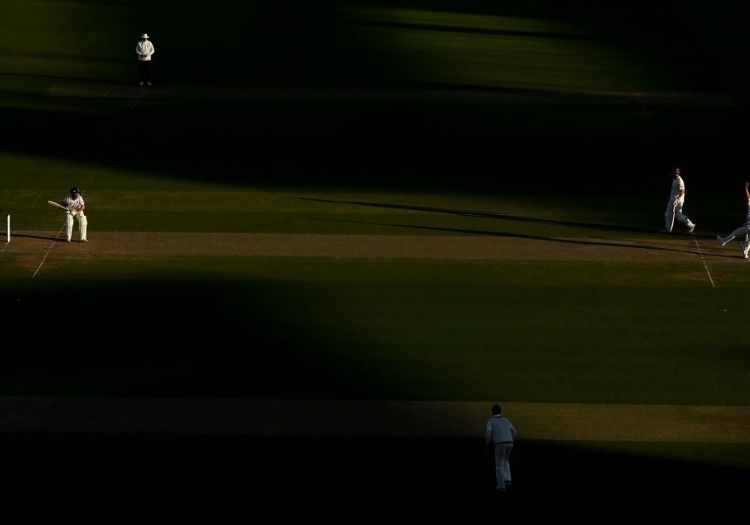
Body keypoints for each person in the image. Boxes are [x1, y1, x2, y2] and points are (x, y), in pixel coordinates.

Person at [485, 404, 517, 492]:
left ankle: (501, 486)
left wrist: (487, 445)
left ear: (492, 412)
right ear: (500, 411)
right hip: (510, 443)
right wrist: (510, 439)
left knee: (499, 465)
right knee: (506, 460)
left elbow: (488, 436)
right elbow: (515, 432)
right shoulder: (506, 420)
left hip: (499, 444)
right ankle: (508, 480)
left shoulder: (490, 421)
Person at [716, 182, 750, 259]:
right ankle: (745, 254)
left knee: (735, 233)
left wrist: (746, 188)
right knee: (748, 241)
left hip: (748, 227)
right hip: (748, 226)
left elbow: (748, 198)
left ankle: (723, 241)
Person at [664, 167, 696, 233]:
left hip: (678, 200)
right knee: (669, 214)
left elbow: (682, 191)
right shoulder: (674, 179)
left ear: (679, 173)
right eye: (675, 172)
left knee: (675, 215)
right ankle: (668, 230)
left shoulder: (680, 180)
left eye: (677, 172)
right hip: (672, 199)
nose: (676, 173)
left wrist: (677, 198)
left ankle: (669, 230)